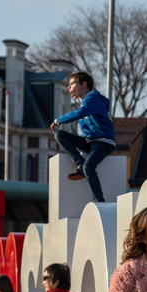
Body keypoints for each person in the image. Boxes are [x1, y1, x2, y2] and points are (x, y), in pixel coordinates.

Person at [50, 71, 116, 203]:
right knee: (60, 134)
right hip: (90, 142)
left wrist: (59, 120)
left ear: (83, 84)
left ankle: (100, 202)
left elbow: (81, 112)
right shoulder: (86, 103)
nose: (68, 88)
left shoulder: (93, 98)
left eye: (71, 84)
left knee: (88, 167)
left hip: (103, 142)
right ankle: (79, 163)